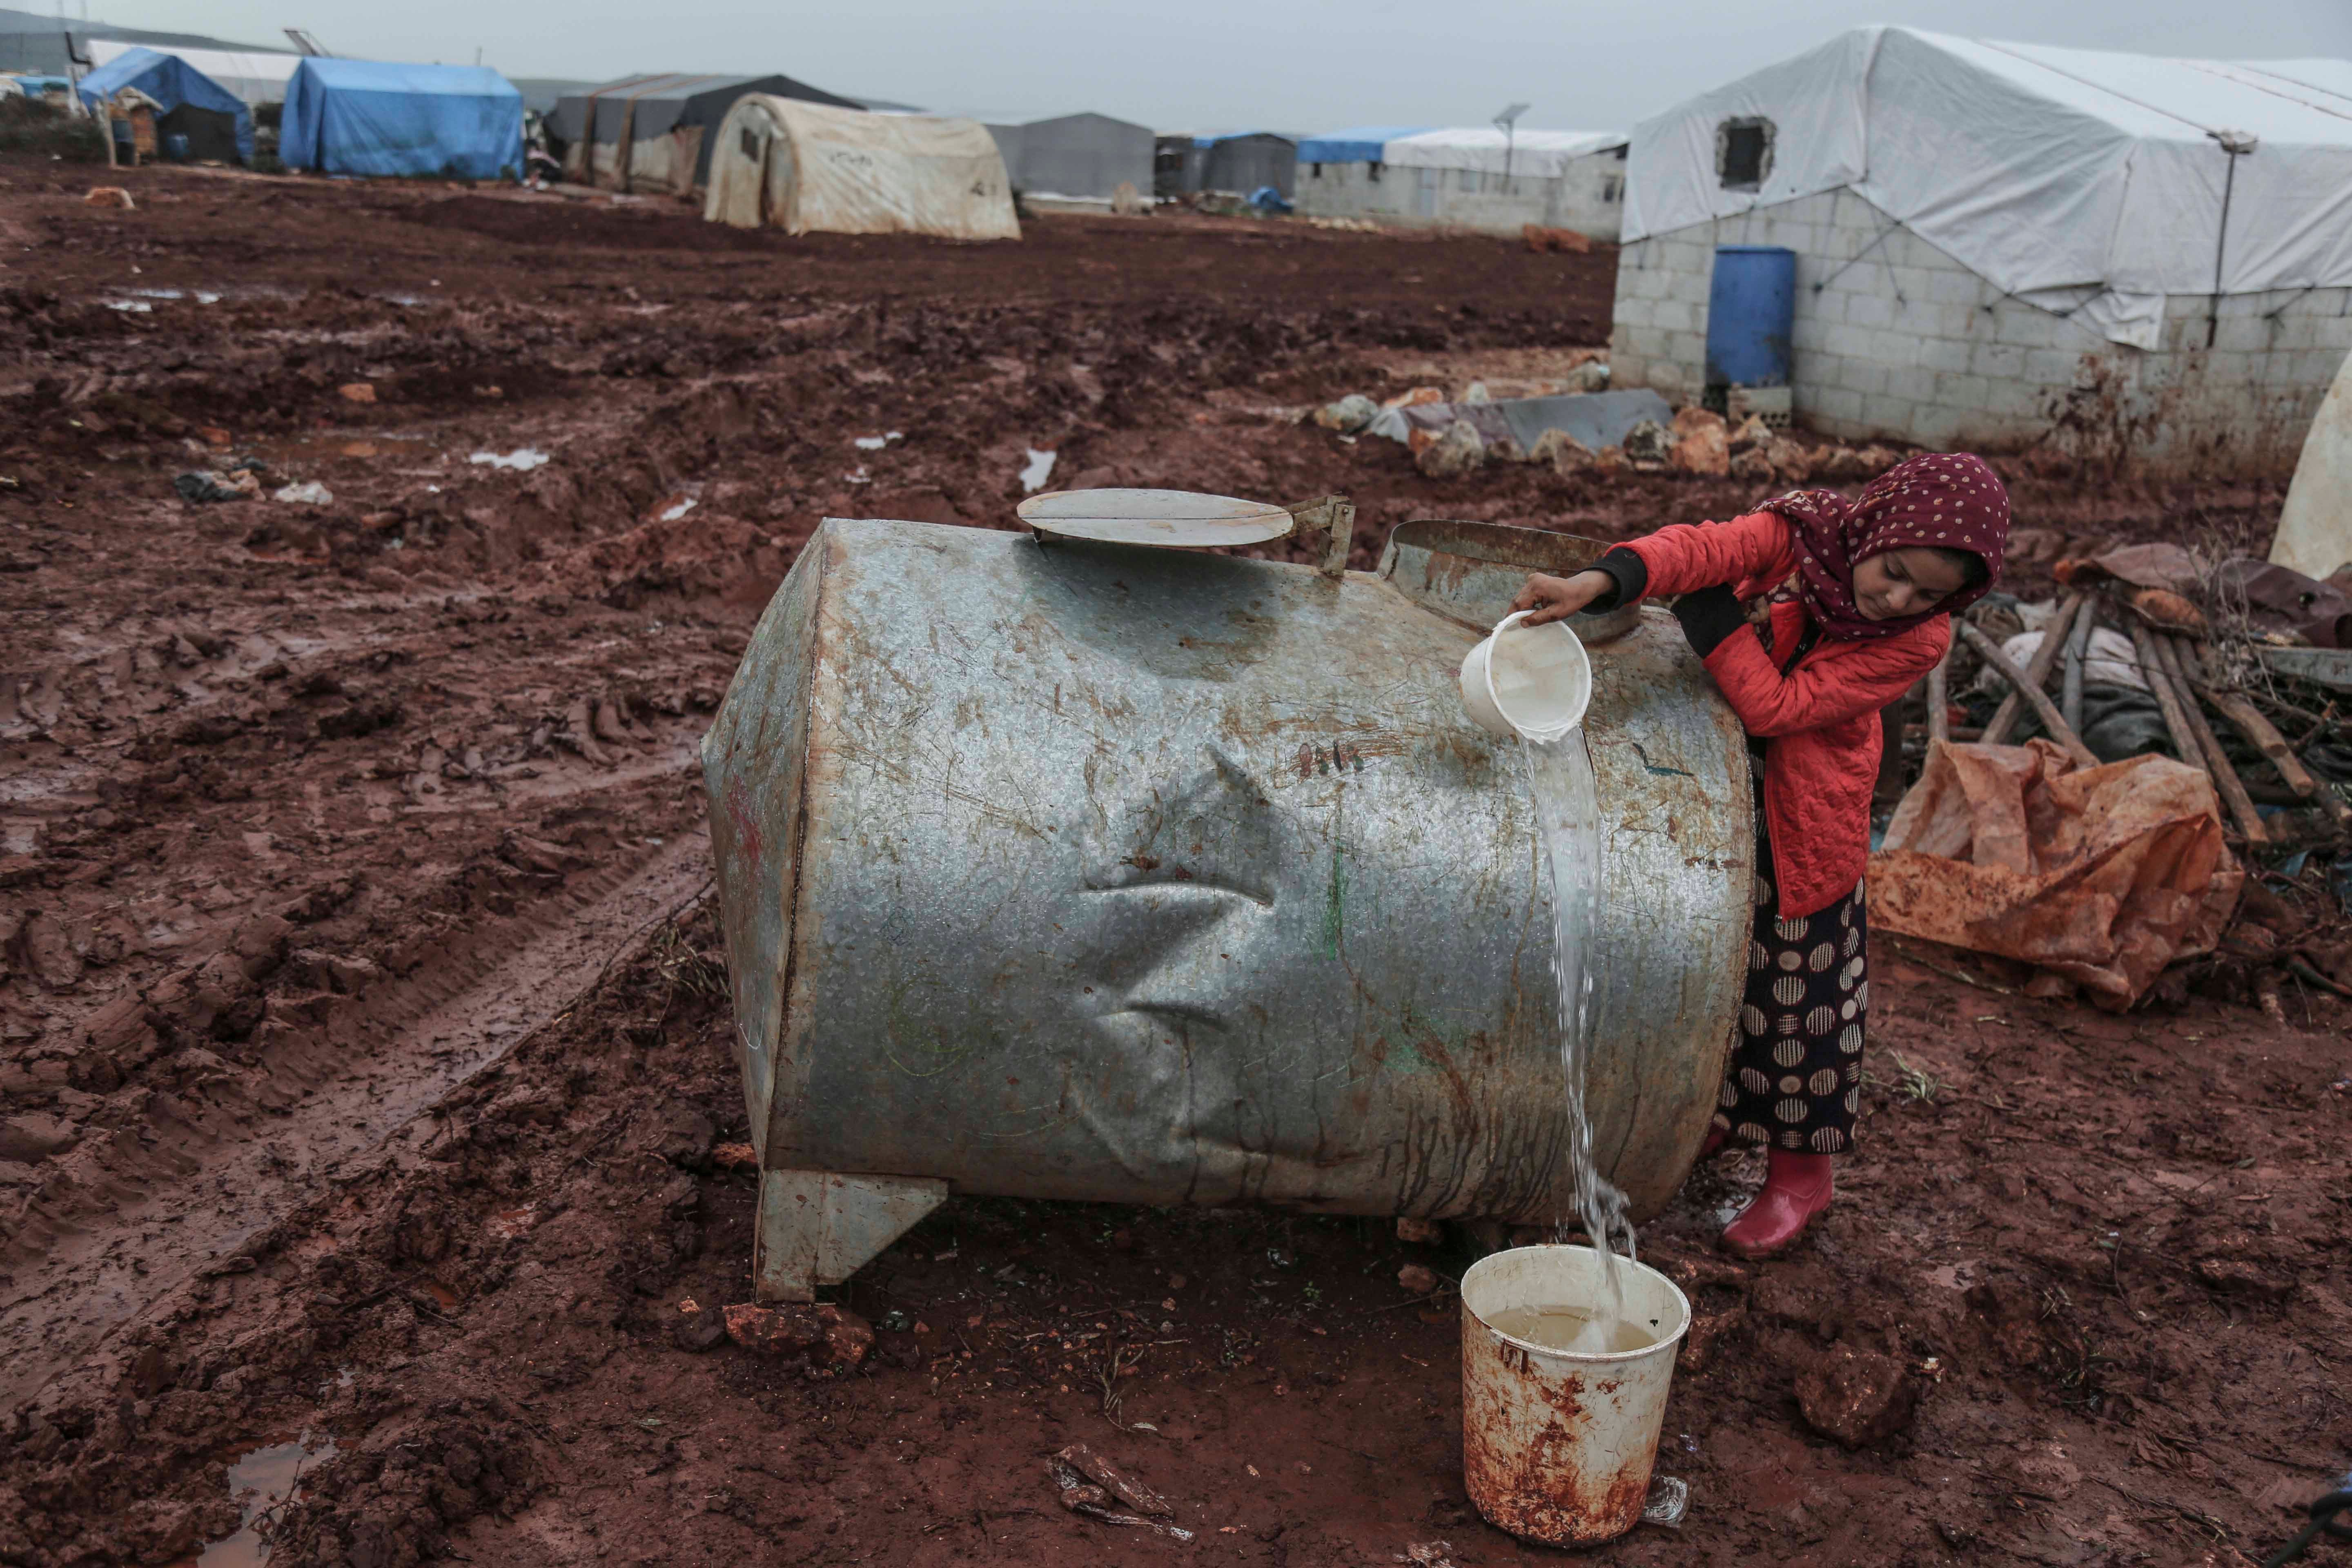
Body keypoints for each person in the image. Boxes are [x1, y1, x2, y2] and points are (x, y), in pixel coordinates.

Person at [1511, 454, 2010, 1258]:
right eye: (1896, 573)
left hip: (1805, 823)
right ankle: (1720, 1118)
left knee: (1801, 1000)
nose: (1899, 599)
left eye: (1927, 593)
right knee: (1713, 976)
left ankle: (1802, 1174)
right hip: (1719, 793)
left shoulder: (1916, 641)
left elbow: (1780, 708)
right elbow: (1705, 549)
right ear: (1875, 525)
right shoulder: (1808, 532)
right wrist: (1598, 584)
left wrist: (1710, 621)